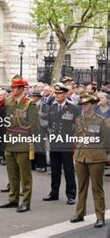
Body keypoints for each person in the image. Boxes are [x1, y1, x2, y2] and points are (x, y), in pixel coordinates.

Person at [0, 75, 38, 213]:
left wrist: (32, 143)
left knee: (25, 175)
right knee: (12, 173)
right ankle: (13, 199)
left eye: (15, 87)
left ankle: (26, 201)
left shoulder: (29, 103)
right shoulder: (8, 101)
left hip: (22, 142)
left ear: (22, 88)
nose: (13, 90)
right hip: (9, 141)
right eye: (12, 87)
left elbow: (34, 125)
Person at [70, 92, 109, 228]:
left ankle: (100, 216)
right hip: (81, 156)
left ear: (92, 105)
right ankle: (80, 213)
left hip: (96, 158)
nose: (83, 106)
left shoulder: (101, 120)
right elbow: (76, 136)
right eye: (82, 104)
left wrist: (104, 156)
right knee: (81, 187)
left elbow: (106, 140)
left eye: (86, 104)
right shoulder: (79, 119)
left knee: (97, 188)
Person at [43, 83, 80, 205]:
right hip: (54, 143)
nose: (57, 95)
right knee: (55, 169)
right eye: (56, 93)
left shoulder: (73, 108)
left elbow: (79, 126)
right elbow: (48, 124)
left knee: (68, 170)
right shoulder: (52, 108)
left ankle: (71, 194)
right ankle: (54, 192)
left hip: (66, 143)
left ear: (65, 94)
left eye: (59, 94)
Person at [30, 91, 48, 173]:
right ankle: (33, 164)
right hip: (32, 127)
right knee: (32, 146)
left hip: (41, 127)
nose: (33, 98)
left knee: (40, 146)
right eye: (32, 96)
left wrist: (39, 113)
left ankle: (42, 165)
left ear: (38, 97)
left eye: (34, 96)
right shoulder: (31, 104)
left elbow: (48, 115)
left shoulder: (43, 105)